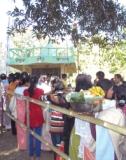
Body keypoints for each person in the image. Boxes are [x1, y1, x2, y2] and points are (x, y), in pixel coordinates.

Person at [24, 75, 44, 160]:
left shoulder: (25, 91)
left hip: (29, 115)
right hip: (38, 115)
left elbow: (25, 103)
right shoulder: (40, 91)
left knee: (30, 136)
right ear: (37, 82)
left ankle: (31, 156)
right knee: (38, 137)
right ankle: (38, 156)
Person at [15, 72, 30, 150]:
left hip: (19, 111)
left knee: (20, 128)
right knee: (29, 127)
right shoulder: (28, 89)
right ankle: (28, 145)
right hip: (28, 110)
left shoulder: (17, 89)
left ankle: (21, 145)